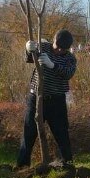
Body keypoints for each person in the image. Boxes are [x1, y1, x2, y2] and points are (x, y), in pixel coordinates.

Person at [17, 29, 77, 168]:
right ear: (53, 40)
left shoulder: (70, 58)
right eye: (58, 46)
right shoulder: (43, 47)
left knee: (61, 133)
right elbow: (28, 58)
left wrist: (53, 65)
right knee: (29, 132)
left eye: (63, 49)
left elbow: (68, 73)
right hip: (36, 98)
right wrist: (28, 49)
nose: (59, 50)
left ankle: (67, 164)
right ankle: (22, 165)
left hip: (57, 100)